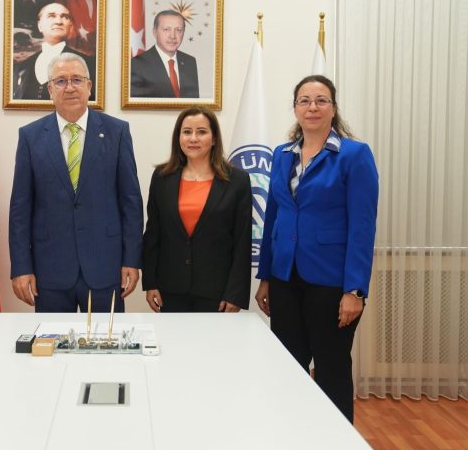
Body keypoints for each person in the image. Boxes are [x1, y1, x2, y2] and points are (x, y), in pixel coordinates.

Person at [254, 75, 378, 422]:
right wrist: (266, 277)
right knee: (287, 367)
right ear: (295, 108)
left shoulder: (354, 155)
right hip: (285, 278)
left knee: (331, 368)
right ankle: (290, 433)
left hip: (331, 282)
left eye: (321, 100)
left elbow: (362, 228)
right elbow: (273, 220)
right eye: (304, 101)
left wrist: (355, 290)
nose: (312, 107)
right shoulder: (282, 155)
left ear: (333, 108)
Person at [9, 52, 143, 312]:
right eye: (60, 81)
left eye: (77, 80)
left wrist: (131, 259)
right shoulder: (30, 136)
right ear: (50, 89)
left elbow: (131, 201)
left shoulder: (117, 132)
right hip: (50, 268)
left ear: (89, 86)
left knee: (107, 338)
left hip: (106, 265)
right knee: (54, 339)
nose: (69, 87)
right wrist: (21, 267)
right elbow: (20, 208)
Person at [142, 107, 252, 312]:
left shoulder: (238, 181)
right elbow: (153, 234)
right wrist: (150, 282)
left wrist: (235, 293)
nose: (193, 138)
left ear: (214, 138)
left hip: (217, 291)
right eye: (187, 132)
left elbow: (242, 241)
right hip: (170, 289)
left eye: (201, 131)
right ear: (178, 138)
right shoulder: (162, 177)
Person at [13, 2, 96, 101]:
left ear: (70, 26)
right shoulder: (22, 66)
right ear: (39, 25)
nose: (58, 21)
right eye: (51, 16)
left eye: (65, 17)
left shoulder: (89, 64)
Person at [130, 10, 199, 98]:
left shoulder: (190, 62)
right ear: (155, 32)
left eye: (178, 30)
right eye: (166, 29)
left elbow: (193, 102)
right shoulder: (136, 64)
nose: (172, 36)